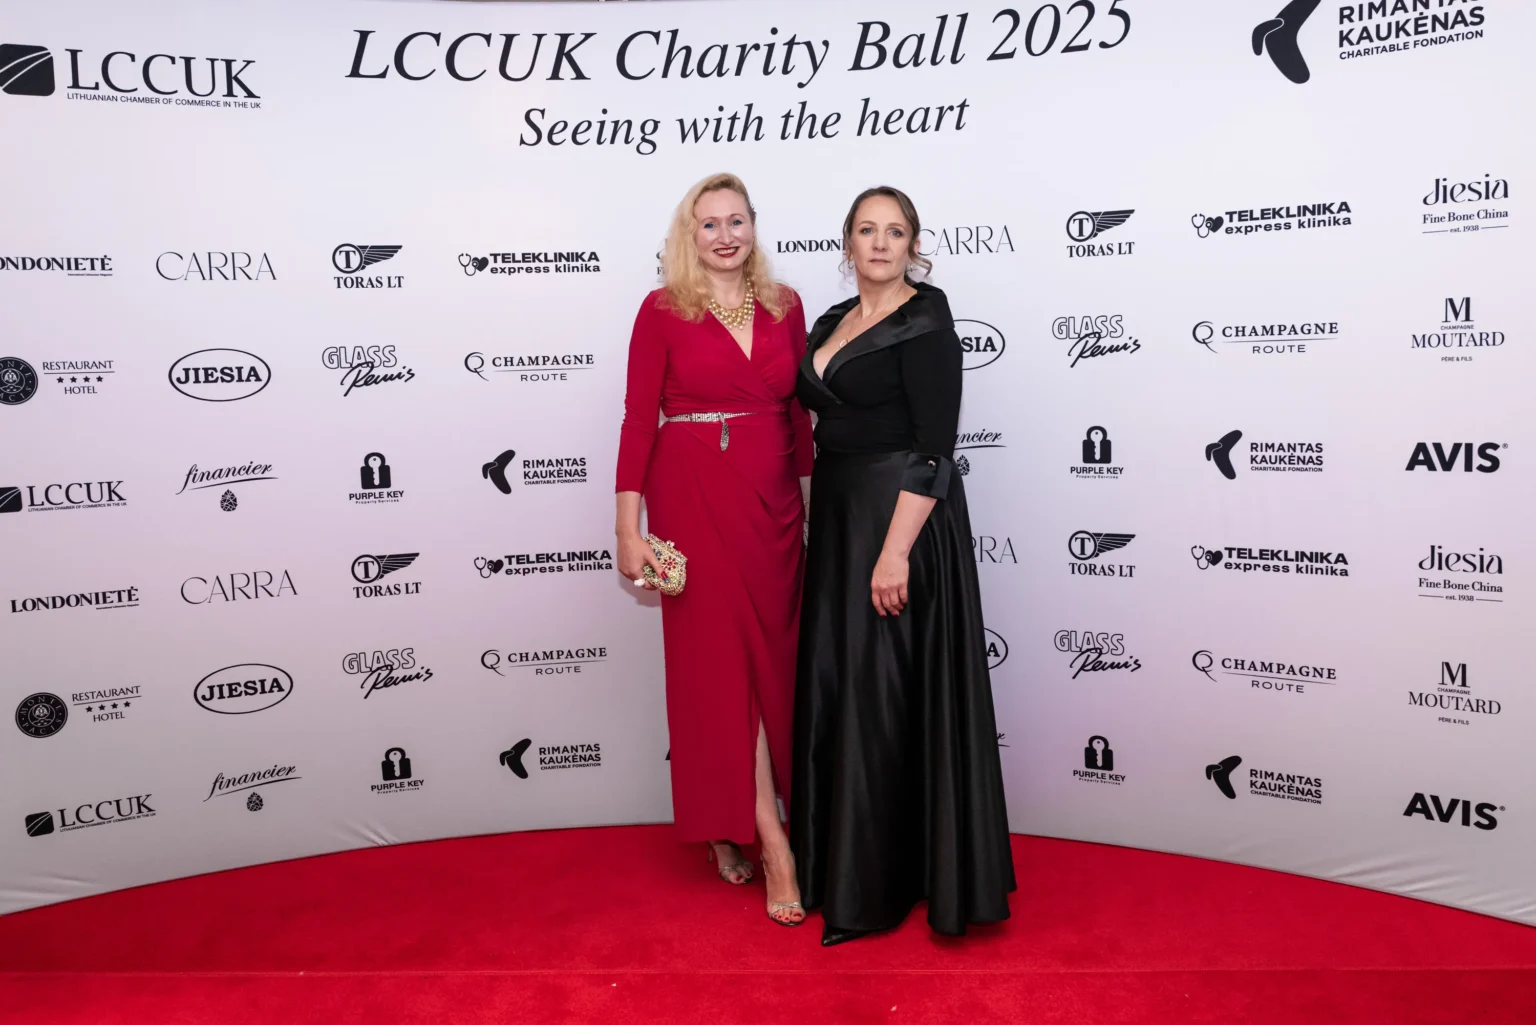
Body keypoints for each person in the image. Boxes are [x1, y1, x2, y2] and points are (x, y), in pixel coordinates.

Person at [791, 186, 1015, 946]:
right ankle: (841, 866)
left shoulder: (927, 324)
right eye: (867, 230)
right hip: (841, 519)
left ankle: (877, 888)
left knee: (883, 694)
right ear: (847, 243)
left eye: (895, 232)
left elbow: (934, 449)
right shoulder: (831, 321)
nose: (880, 243)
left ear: (913, 245)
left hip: (900, 521)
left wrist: (894, 553)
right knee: (847, 686)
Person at [615, 172, 813, 926]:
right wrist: (627, 527)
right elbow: (639, 419)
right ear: (688, 235)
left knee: (773, 666)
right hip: (693, 496)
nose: (725, 235)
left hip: (775, 504)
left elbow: (800, 420)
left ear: (753, 226)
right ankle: (772, 842)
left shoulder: (786, 305)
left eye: (737, 220)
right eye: (710, 224)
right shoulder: (663, 310)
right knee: (720, 669)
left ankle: (731, 823)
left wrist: (814, 513)